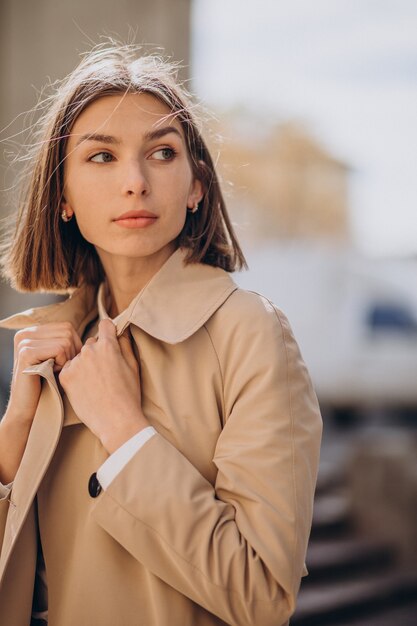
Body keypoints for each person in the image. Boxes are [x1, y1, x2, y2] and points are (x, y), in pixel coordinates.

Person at [0, 43, 322, 626]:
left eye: (162, 153)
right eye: (101, 157)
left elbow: (261, 596)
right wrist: (13, 439)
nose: (135, 182)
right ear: (62, 196)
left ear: (196, 187)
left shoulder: (250, 332)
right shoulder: (51, 350)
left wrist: (126, 433)